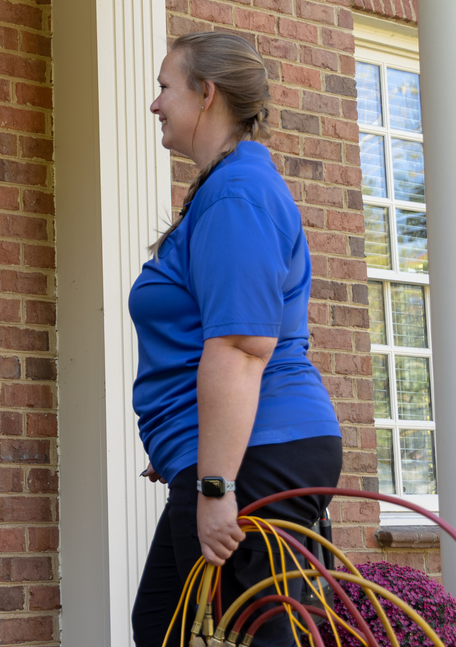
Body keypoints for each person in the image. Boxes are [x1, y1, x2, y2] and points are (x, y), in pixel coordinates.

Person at [128, 32, 343, 647]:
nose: (156, 103)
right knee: (164, 625)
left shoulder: (237, 196)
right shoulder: (227, 190)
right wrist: (185, 442)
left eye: (166, 86)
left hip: (253, 460)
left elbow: (243, 348)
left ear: (207, 94)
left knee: (240, 635)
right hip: (233, 453)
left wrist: (217, 484)